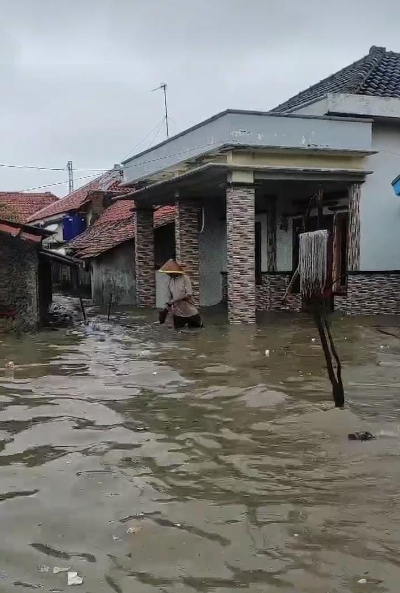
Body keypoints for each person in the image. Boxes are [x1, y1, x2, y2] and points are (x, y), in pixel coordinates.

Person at [159, 259, 203, 329]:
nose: (168, 274)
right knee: (178, 333)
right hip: (178, 313)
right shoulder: (169, 281)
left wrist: (174, 301)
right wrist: (167, 307)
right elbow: (169, 297)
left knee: (197, 331)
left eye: (169, 273)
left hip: (190, 311)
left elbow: (188, 294)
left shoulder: (185, 278)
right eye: (167, 273)